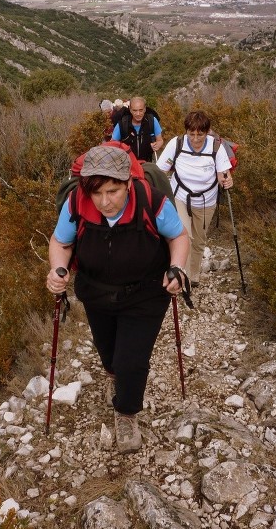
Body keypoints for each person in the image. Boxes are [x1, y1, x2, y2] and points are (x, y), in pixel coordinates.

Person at [46, 145, 189, 454]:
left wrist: (176, 267)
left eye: (113, 191)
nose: (105, 201)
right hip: (97, 292)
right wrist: (57, 269)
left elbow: (178, 237)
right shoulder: (77, 203)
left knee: (131, 361)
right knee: (108, 353)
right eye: (97, 193)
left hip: (146, 293)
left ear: (128, 183)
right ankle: (114, 375)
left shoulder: (152, 202)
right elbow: (60, 241)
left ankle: (126, 412)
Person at [156, 110, 233, 287]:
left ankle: (194, 276)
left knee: (199, 241)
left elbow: (224, 174)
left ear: (207, 132)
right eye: (192, 134)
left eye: (201, 134)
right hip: (180, 197)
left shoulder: (215, 147)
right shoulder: (177, 143)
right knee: (185, 236)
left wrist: (227, 181)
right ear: (187, 131)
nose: (196, 139)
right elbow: (161, 170)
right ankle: (181, 276)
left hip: (206, 200)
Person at [110, 96, 163, 162]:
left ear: (145, 109)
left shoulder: (151, 121)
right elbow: (111, 145)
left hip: (146, 164)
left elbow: (160, 140)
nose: (138, 114)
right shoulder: (122, 124)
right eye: (135, 110)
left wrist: (157, 145)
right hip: (127, 165)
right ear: (130, 110)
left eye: (141, 110)